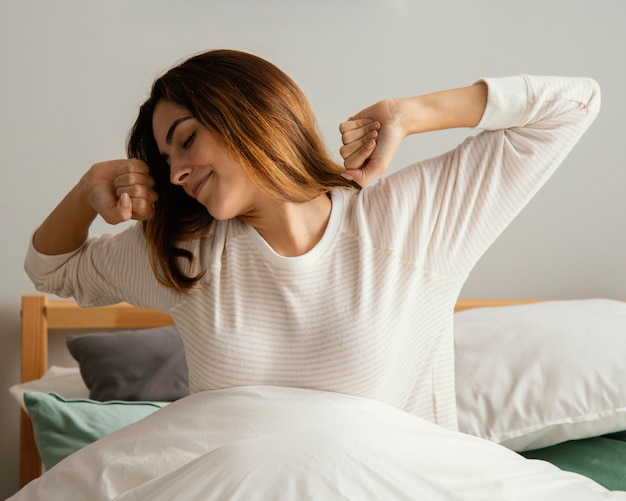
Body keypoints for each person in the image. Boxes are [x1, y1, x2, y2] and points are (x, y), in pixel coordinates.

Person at [25, 49, 600, 431]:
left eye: (186, 140)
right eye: (165, 159)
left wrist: (410, 113)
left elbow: (574, 104)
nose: (174, 173)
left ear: (246, 114)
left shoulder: (406, 220)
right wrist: (85, 193)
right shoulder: (189, 254)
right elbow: (52, 272)